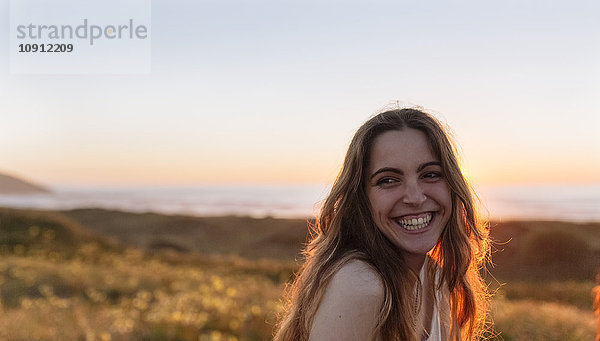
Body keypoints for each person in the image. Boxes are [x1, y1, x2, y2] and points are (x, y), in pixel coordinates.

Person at [274, 108, 490, 341]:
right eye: (388, 180)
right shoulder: (360, 286)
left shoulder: (436, 278)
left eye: (430, 174)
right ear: (361, 198)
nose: (415, 197)